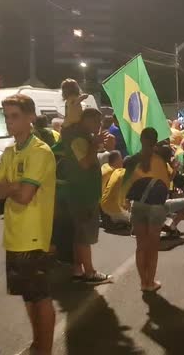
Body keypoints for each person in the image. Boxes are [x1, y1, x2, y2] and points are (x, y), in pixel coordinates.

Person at [0, 94, 56, 355]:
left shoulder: (40, 151)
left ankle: (44, 349)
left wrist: (11, 187)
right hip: (14, 236)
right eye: (6, 117)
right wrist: (15, 185)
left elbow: (26, 196)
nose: (9, 122)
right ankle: (38, 344)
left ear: (30, 117)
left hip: (34, 236)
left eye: (14, 116)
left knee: (41, 297)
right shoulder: (9, 152)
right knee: (29, 296)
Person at [56, 108, 112, 284]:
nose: (98, 125)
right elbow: (85, 164)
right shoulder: (79, 139)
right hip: (82, 194)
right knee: (84, 236)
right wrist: (94, 145)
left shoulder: (82, 136)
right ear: (84, 120)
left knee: (78, 234)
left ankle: (78, 269)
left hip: (81, 192)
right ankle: (89, 272)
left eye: (100, 122)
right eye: (95, 121)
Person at [123, 128, 172, 292]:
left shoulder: (133, 160)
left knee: (141, 246)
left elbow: (126, 182)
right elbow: (166, 182)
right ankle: (150, 282)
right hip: (156, 207)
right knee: (152, 246)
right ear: (155, 140)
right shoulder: (159, 160)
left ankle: (143, 282)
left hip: (138, 205)